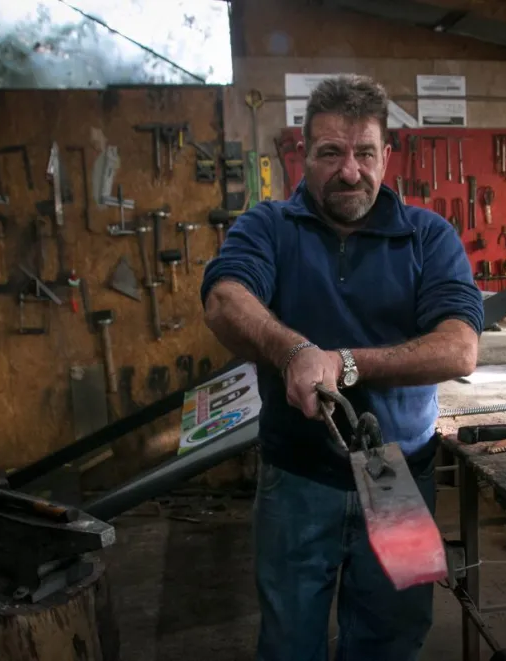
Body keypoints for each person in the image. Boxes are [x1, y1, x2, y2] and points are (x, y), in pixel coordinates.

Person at [200, 74, 484, 661]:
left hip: (399, 479)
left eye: (364, 154)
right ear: (304, 154)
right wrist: (294, 351)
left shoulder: (427, 236)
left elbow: (459, 348)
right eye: (331, 153)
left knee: (393, 638)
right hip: (298, 479)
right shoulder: (269, 226)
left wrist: (345, 363)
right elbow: (226, 299)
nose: (349, 172)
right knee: (289, 640)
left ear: (387, 155)